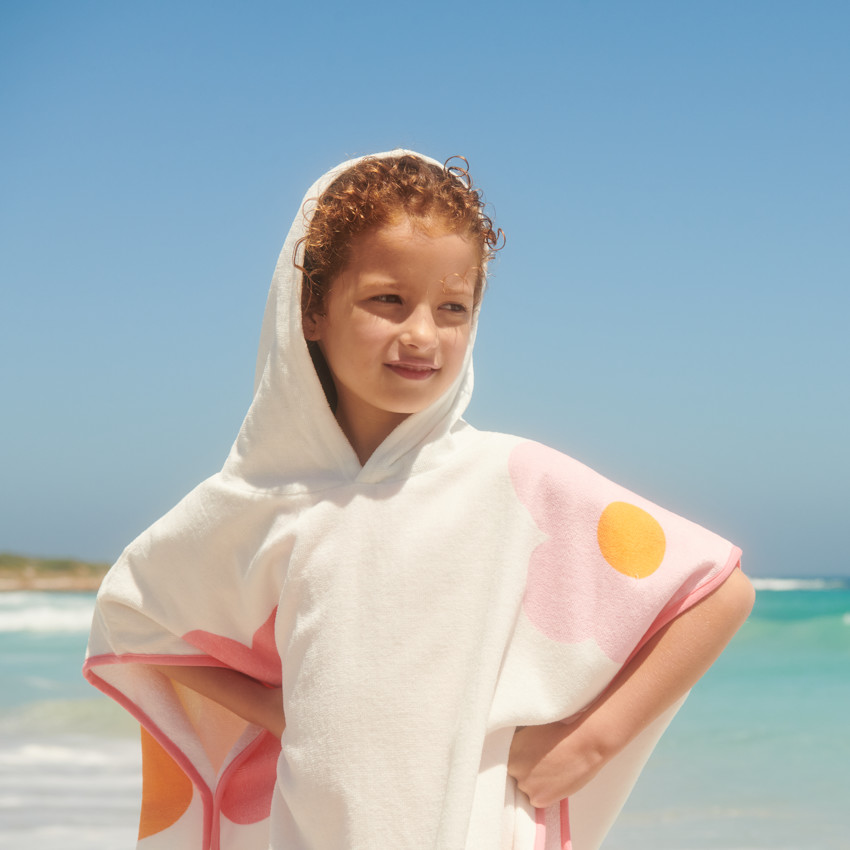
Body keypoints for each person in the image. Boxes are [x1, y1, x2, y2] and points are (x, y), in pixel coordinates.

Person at [85, 150, 753, 850]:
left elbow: (717, 591)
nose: (423, 335)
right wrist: (281, 711)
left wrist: (589, 742)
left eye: (453, 308)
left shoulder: (509, 479)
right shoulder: (264, 500)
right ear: (311, 309)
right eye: (387, 300)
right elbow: (134, 614)